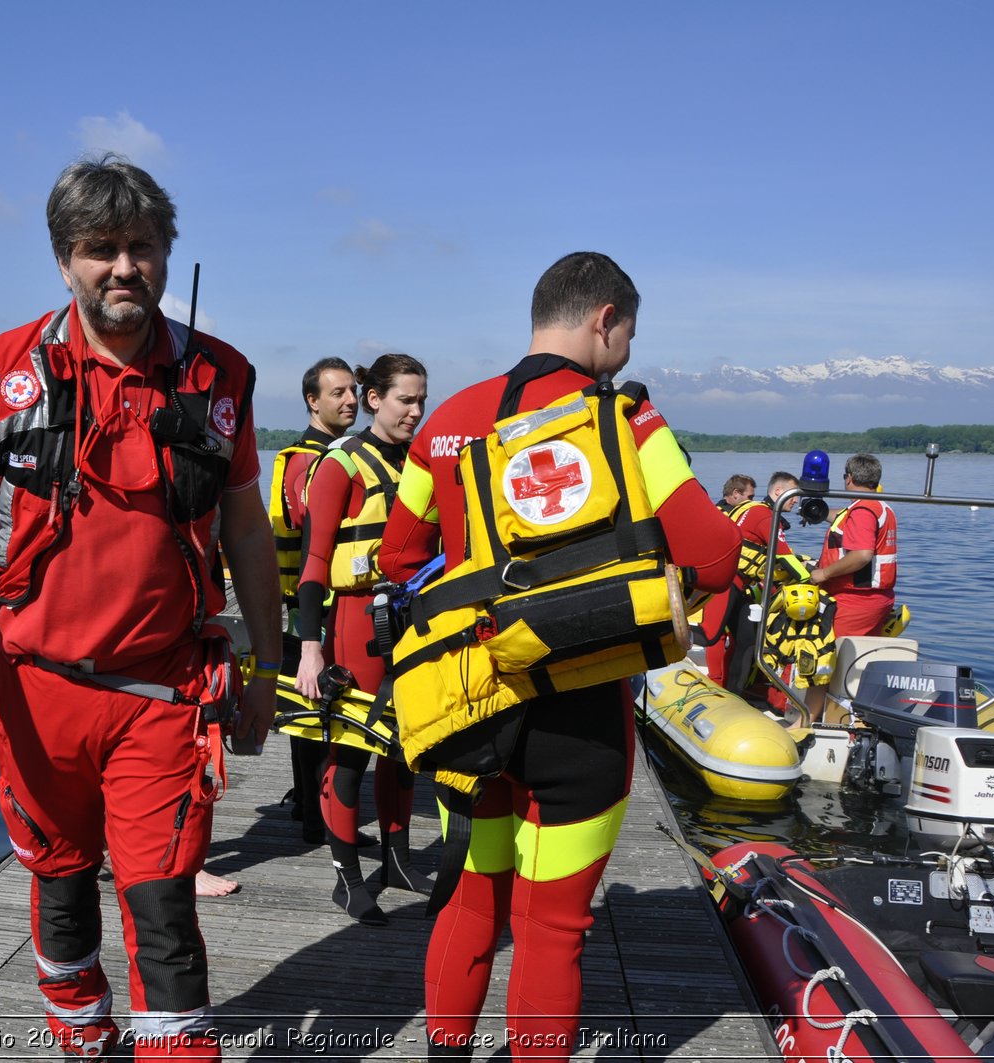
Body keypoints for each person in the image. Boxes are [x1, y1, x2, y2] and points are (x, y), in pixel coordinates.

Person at [0, 155, 281, 1062]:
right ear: (64, 261)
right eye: (101, 249)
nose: (124, 267)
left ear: (168, 253)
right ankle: (80, 1036)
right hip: (33, 689)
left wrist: (268, 669)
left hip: (167, 693)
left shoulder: (223, 379)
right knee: (59, 879)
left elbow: (247, 535)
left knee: (164, 902)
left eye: (143, 246)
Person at [378, 252, 740, 1059]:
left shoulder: (445, 422)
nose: (628, 354)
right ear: (604, 319)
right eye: (629, 335)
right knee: (552, 929)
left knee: (472, 904)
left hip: (470, 701)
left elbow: (400, 557)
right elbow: (715, 558)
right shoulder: (628, 420)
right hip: (582, 711)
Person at [294, 353, 432, 925]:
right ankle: (346, 878)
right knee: (351, 751)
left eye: (422, 400)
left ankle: (397, 861)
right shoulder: (340, 465)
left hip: (413, 621)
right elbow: (314, 561)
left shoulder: (420, 464)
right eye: (406, 400)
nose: (416, 411)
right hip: (356, 622)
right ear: (375, 399)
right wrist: (309, 647)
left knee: (406, 749)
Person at [268, 357, 358, 844]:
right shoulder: (316, 459)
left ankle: (307, 806)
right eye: (338, 392)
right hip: (313, 608)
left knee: (308, 714)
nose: (351, 400)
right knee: (318, 715)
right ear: (313, 401)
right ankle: (316, 818)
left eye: (353, 392)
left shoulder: (329, 454)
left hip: (306, 606)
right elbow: (313, 546)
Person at [802, 454, 896, 723]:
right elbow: (847, 522)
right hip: (875, 599)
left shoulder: (863, 511)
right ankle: (848, 715)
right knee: (857, 663)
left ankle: (806, 720)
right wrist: (820, 514)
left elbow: (862, 554)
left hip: (854, 600)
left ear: (850, 478)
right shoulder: (878, 506)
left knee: (822, 658)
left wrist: (823, 573)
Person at [701, 470, 798, 689]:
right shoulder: (762, 515)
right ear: (779, 491)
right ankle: (716, 682)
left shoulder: (755, 513)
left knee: (746, 640)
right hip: (725, 581)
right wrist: (808, 577)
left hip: (743, 586)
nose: (797, 499)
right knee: (713, 634)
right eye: (794, 493)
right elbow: (784, 555)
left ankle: (735, 692)